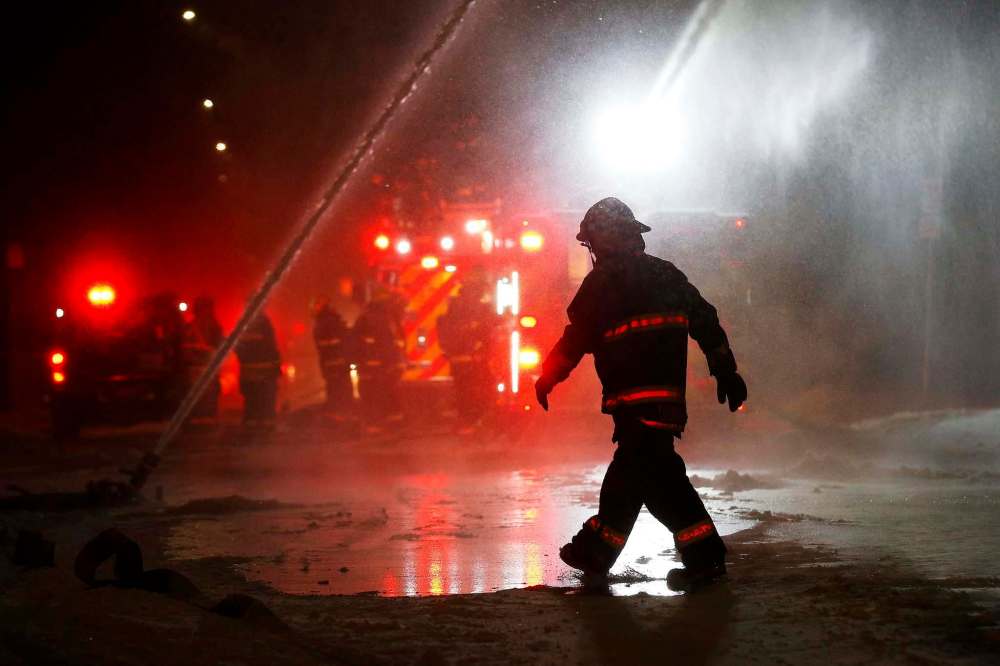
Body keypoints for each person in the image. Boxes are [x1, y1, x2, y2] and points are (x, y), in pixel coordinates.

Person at [534, 197, 748, 592]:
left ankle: (701, 558)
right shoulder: (666, 275)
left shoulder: (599, 286)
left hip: (631, 401)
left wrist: (548, 377)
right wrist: (726, 372)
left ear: (601, 243)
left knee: (653, 480)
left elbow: (574, 340)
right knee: (642, 474)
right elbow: (706, 320)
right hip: (667, 401)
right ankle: (598, 551)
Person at [437, 270, 496, 429]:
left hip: (459, 359)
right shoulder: (477, 307)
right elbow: (486, 330)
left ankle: (467, 420)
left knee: (463, 390)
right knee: (477, 390)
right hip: (475, 358)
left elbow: (445, 328)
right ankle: (473, 420)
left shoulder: (454, 306)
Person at [352, 290, 405, 431]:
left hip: (369, 368)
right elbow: (393, 343)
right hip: (386, 367)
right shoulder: (390, 320)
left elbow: (355, 342)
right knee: (387, 394)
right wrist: (394, 364)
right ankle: (394, 424)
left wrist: (356, 362)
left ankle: (374, 424)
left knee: (370, 395)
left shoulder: (365, 319)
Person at [180, 296, 224, 420]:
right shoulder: (190, 328)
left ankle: (207, 418)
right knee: (199, 396)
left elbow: (219, 346)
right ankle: (200, 418)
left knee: (209, 395)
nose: (205, 312)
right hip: (197, 370)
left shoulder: (214, 327)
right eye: (203, 308)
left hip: (205, 369)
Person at [235, 310, 281, 427]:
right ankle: (265, 424)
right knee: (264, 398)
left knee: (251, 399)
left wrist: (244, 359)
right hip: (264, 371)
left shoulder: (244, 324)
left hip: (248, 371)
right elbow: (271, 346)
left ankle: (252, 424)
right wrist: (276, 367)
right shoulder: (265, 323)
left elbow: (237, 346)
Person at [312, 297, 352, 415]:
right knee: (344, 392)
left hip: (333, 366)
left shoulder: (323, 324)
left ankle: (337, 419)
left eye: (316, 306)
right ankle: (345, 416)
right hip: (341, 365)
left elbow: (325, 349)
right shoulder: (335, 320)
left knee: (336, 394)